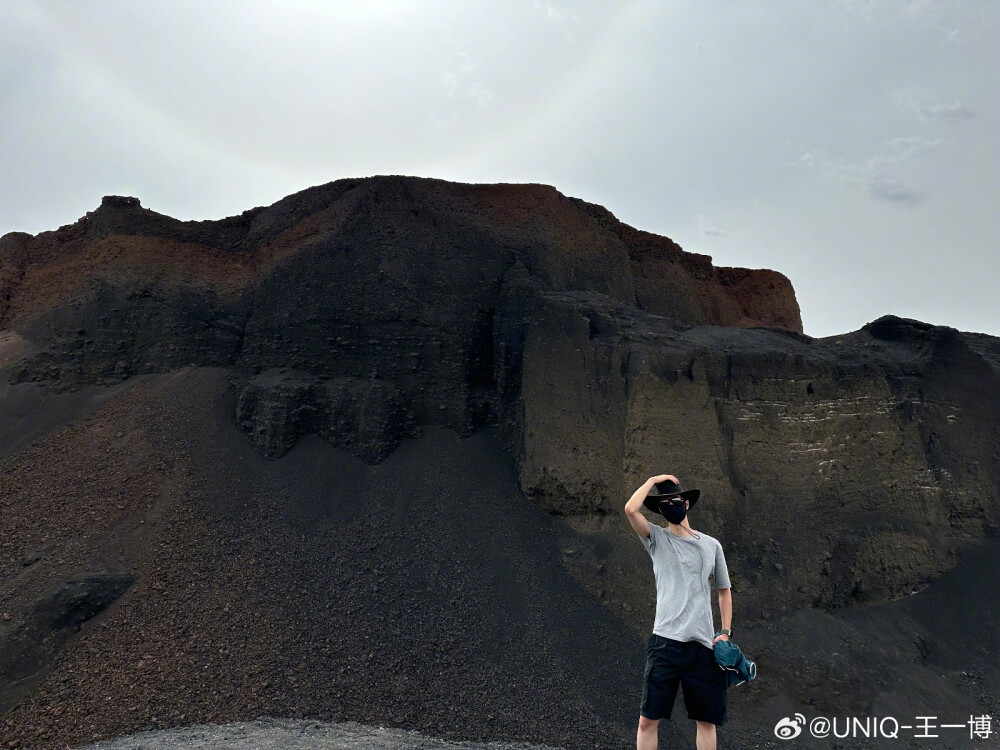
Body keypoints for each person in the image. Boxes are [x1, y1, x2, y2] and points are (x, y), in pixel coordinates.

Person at [624, 474, 733, 750]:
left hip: (702, 646)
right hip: (665, 643)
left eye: (675, 500)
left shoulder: (711, 545)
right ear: (660, 510)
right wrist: (652, 480)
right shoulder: (656, 539)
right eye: (664, 503)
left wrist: (725, 633)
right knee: (647, 721)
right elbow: (630, 509)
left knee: (706, 721)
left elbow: (724, 590)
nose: (670, 506)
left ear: (686, 503)